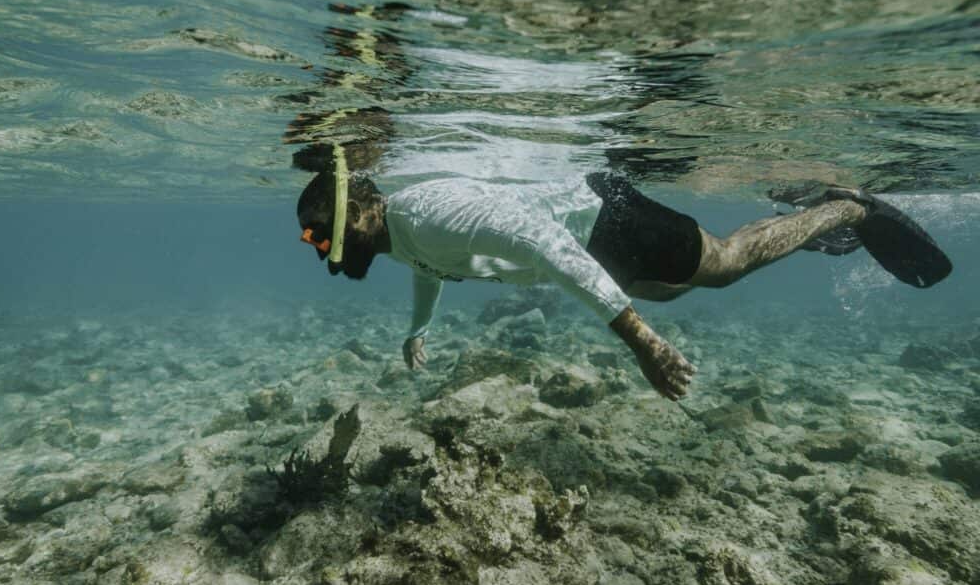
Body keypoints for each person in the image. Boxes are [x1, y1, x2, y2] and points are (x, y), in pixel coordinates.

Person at [295, 169, 951, 401]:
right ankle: (805, 220)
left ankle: (848, 210)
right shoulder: (401, 235)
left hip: (605, 221)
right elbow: (429, 269)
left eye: (319, 234)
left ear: (355, 208)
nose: (321, 248)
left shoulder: (427, 214)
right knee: (673, 284)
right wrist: (419, 328)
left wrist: (640, 341)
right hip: (596, 238)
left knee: (721, 269)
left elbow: (543, 244)